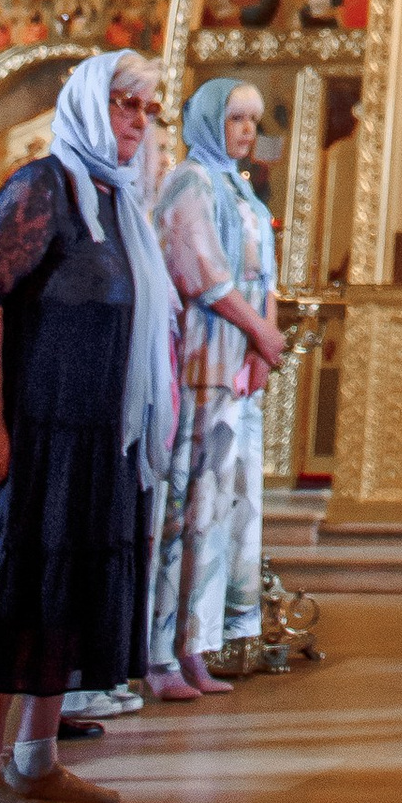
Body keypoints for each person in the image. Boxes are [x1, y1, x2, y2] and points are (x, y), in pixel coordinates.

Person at [0, 54, 176, 803]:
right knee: (14, 594)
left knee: (64, 599)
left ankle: (38, 760)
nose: (137, 119)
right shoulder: (44, 186)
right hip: (35, 437)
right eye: (123, 103)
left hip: (99, 442)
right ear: (81, 105)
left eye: (146, 107)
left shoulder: (117, 202)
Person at [147, 81, 285, 701]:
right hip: (203, 359)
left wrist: (265, 342)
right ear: (208, 120)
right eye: (236, 118)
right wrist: (257, 331)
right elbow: (204, 274)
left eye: (254, 120)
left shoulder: (244, 191)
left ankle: (199, 646)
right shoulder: (191, 182)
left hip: (241, 364)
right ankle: (158, 653)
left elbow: (267, 276)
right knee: (189, 507)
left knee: (231, 510)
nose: (248, 131)